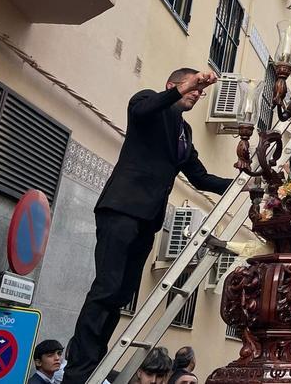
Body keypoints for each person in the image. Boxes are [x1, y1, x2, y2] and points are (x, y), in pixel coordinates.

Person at [63, 69, 232, 384]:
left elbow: (200, 177)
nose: (198, 93)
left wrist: (243, 184)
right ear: (173, 86)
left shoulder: (185, 133)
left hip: (148, 220)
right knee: (107, 287)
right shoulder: (147, 103)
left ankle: (96, 358)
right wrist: (185, 85)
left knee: (123, 293)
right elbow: (143, 110)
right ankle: (78, 370)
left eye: (200, 91)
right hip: (122, 208)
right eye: (194, 88)